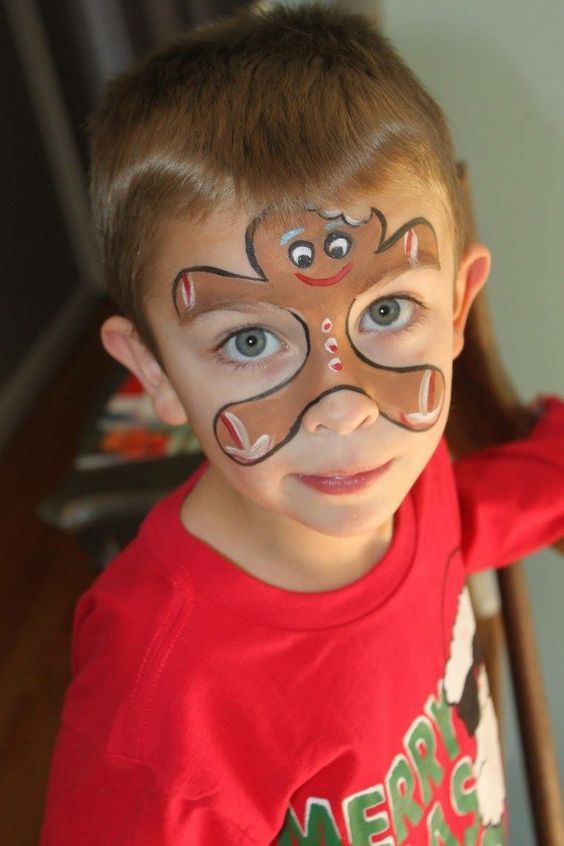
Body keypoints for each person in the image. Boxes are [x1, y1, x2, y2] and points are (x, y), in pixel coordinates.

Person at [40, 4, 564, 844]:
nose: (344, 405)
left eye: (389, 309)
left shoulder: (408, 482)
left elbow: (459, 522)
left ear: (458, 308)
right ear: (154, 375)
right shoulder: (166, 708)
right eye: (250, 340)